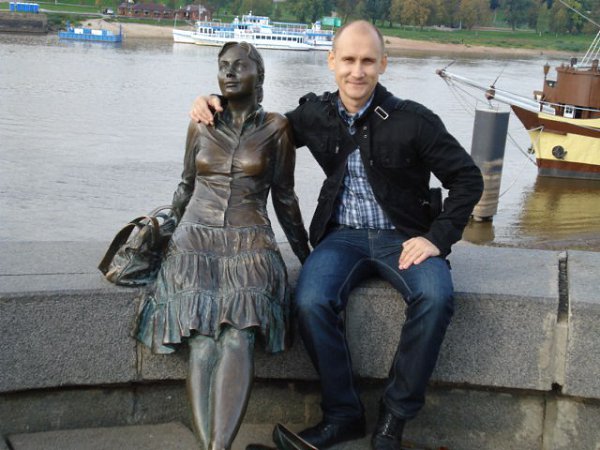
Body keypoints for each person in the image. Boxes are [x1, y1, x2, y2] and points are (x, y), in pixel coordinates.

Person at [191, 21, 483, 450]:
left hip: (404, 237)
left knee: (436, 298)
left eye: (367, 61)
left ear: (383, 64)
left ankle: (393, 419)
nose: (357, 71)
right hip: (342, 237)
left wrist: (437, 238)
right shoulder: (315, 115)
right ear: (332, 62)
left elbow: (468, 179)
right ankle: (343, 414)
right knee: (310, 301)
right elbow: (259, 130)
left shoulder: (415, 120)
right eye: (348, 60)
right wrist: (215, 102)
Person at [137, 41, 310, 450]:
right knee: (201, 337)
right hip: (194, 240)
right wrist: (162, 236)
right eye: (223, 66)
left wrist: (309, 256)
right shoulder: (201, 123)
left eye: (240, 66)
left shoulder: (277, 127)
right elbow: (186, 185)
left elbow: (285, 198)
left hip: (251, 241)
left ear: (259, 75)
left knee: (238, 336)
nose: (229, 73)